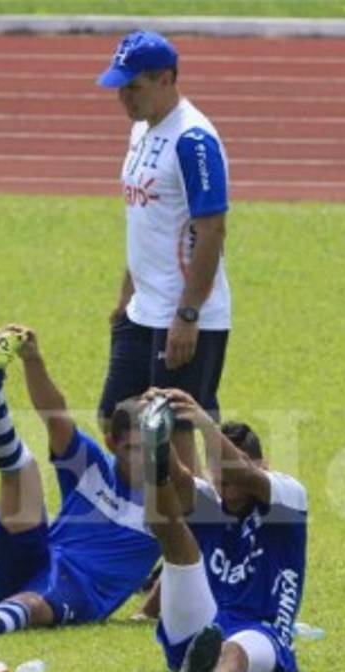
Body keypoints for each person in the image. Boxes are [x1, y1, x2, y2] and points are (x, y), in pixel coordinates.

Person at [0, 325, 158, 637]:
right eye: (131, 448)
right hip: (36, 559)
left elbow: (191, 560)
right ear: (112, 443)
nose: (141, 459)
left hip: (79, 592)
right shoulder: (94, 467)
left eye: (149, 449)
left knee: (35, 601)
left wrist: (148, 610)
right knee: (22, 468)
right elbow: (55, 417)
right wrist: (32, 359)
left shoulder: (173, 499)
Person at [95, 30, 232, 466]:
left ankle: (192, 528)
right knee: (115, 420)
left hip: (185, 315)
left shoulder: (193, 142)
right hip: (143, 308)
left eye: (133, 87)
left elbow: (211, 231)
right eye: (120, 87)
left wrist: (188, 314)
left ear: (166, 79)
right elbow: (146, 222)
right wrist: (125, 294)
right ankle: (149, 522)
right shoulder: (141, 130)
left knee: (173, 438)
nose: (124, 98)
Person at [137, 390, 308, 672]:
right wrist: (156, 436)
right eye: (221, 479)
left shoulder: (288, 497)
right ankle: (196, 667)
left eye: (234, 476)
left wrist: (204, 422)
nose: (229, 489)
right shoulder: (208, 500)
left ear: (263, 465)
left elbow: (243, 474)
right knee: (171, 529)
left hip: (262, 629)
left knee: (236, 652)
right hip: (202, 623)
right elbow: (179, 481)